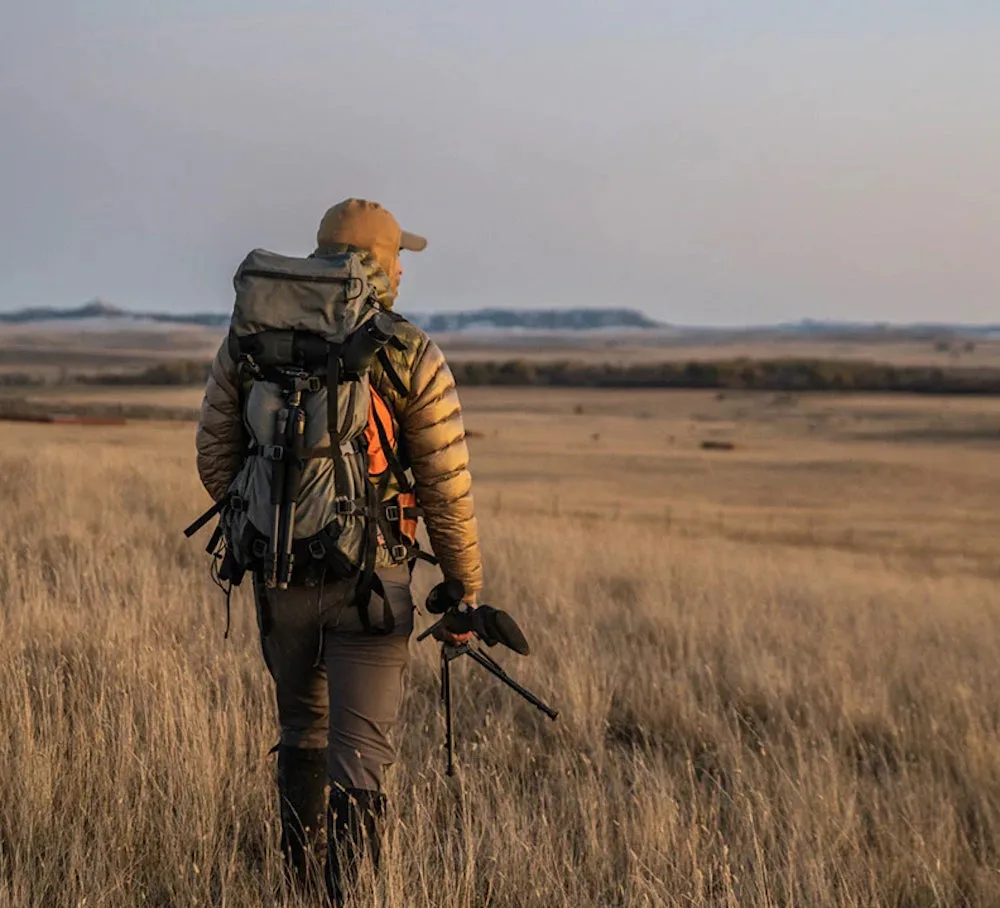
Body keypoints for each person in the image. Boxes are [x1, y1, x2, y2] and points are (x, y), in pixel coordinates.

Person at [194, 198, 484, 903]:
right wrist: (464, 589)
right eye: (398, 258)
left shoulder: (250, 337)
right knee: (360, 759)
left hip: (280, 572)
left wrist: (274, 516)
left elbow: (214, 458)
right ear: (379, 266)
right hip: (373, 585)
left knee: (301, 728)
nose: (404, 272)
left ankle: (295, 884)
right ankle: (346, 896)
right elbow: (447, 490)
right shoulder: (411, 350)